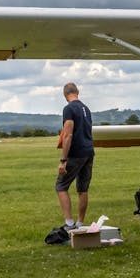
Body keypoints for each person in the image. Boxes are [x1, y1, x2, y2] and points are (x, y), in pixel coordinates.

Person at [56, 82, 94, 230]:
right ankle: (80, 222)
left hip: (76, 153)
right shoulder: (86, 109)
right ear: (77, 92)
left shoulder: (69, 109)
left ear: (65, 95)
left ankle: (69, 223)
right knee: (83, 189)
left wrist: (63, 160)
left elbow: (68, 135)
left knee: (61, 186)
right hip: (89, 152)